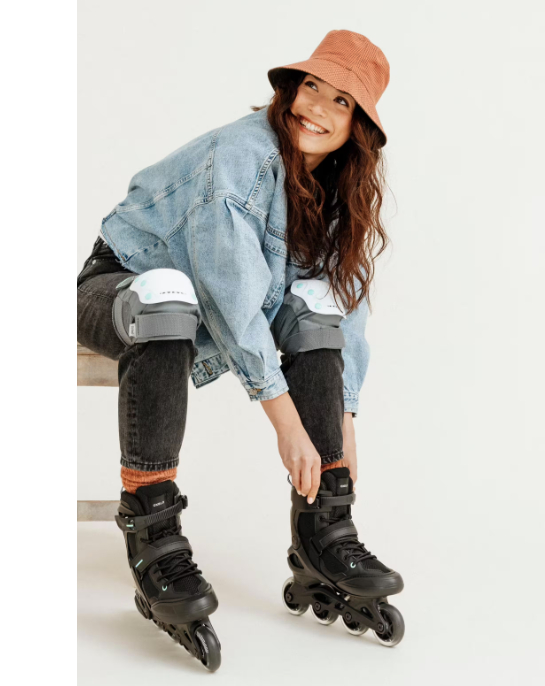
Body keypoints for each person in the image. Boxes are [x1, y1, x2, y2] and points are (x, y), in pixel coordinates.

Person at [77, 30, 404, 671]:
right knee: (167, 298)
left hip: (197, 307)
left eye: (341, 101)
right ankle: (153, 533)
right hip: (117, 287)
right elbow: (230, 300)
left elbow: (345, 306)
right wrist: (286, 424)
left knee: (316, 306)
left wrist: (343, 429)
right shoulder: (239, 157)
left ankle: (324, 528)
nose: (317, 108)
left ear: (358, 129)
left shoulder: (337, 185)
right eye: (312, 87)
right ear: (290, 89)